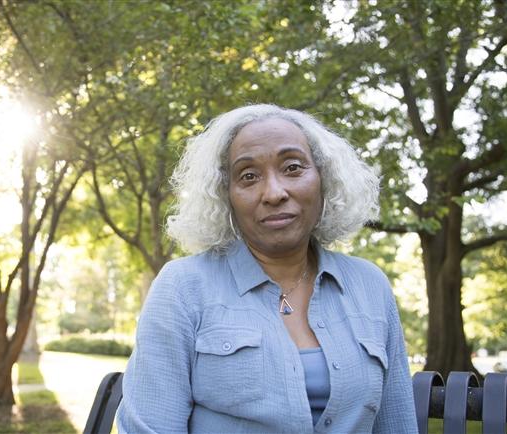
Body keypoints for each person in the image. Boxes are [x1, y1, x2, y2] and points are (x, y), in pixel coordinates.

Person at [117, 104, 418, 433]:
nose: (274, 193)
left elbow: (398, 423)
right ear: (226, 196)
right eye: (248, 176)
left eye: (292, 167)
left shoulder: (370, 285)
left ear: (324, 179)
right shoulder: (183, 287)